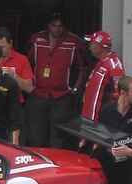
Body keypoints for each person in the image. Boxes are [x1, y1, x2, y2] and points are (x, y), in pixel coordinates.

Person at [25, 12, 85, 148]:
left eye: (60, 26)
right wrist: (28, 86)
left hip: (62, 96)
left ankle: (58, 167)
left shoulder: (74, 41)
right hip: (38, 94)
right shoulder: (36, 39)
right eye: (54, 25)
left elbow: (83, 67)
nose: (57, 28)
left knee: (59, 138)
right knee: (36, 136)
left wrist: (74, 89)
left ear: (65, 26)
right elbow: (25, 63)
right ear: (48, 26)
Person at [81, 30, 125, 121]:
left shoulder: (114, 66)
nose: (90, 48)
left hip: (101, 122)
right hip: (90, 119)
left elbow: (119, 95)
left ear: (98, 47)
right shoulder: (101, 63)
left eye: (92, 44)